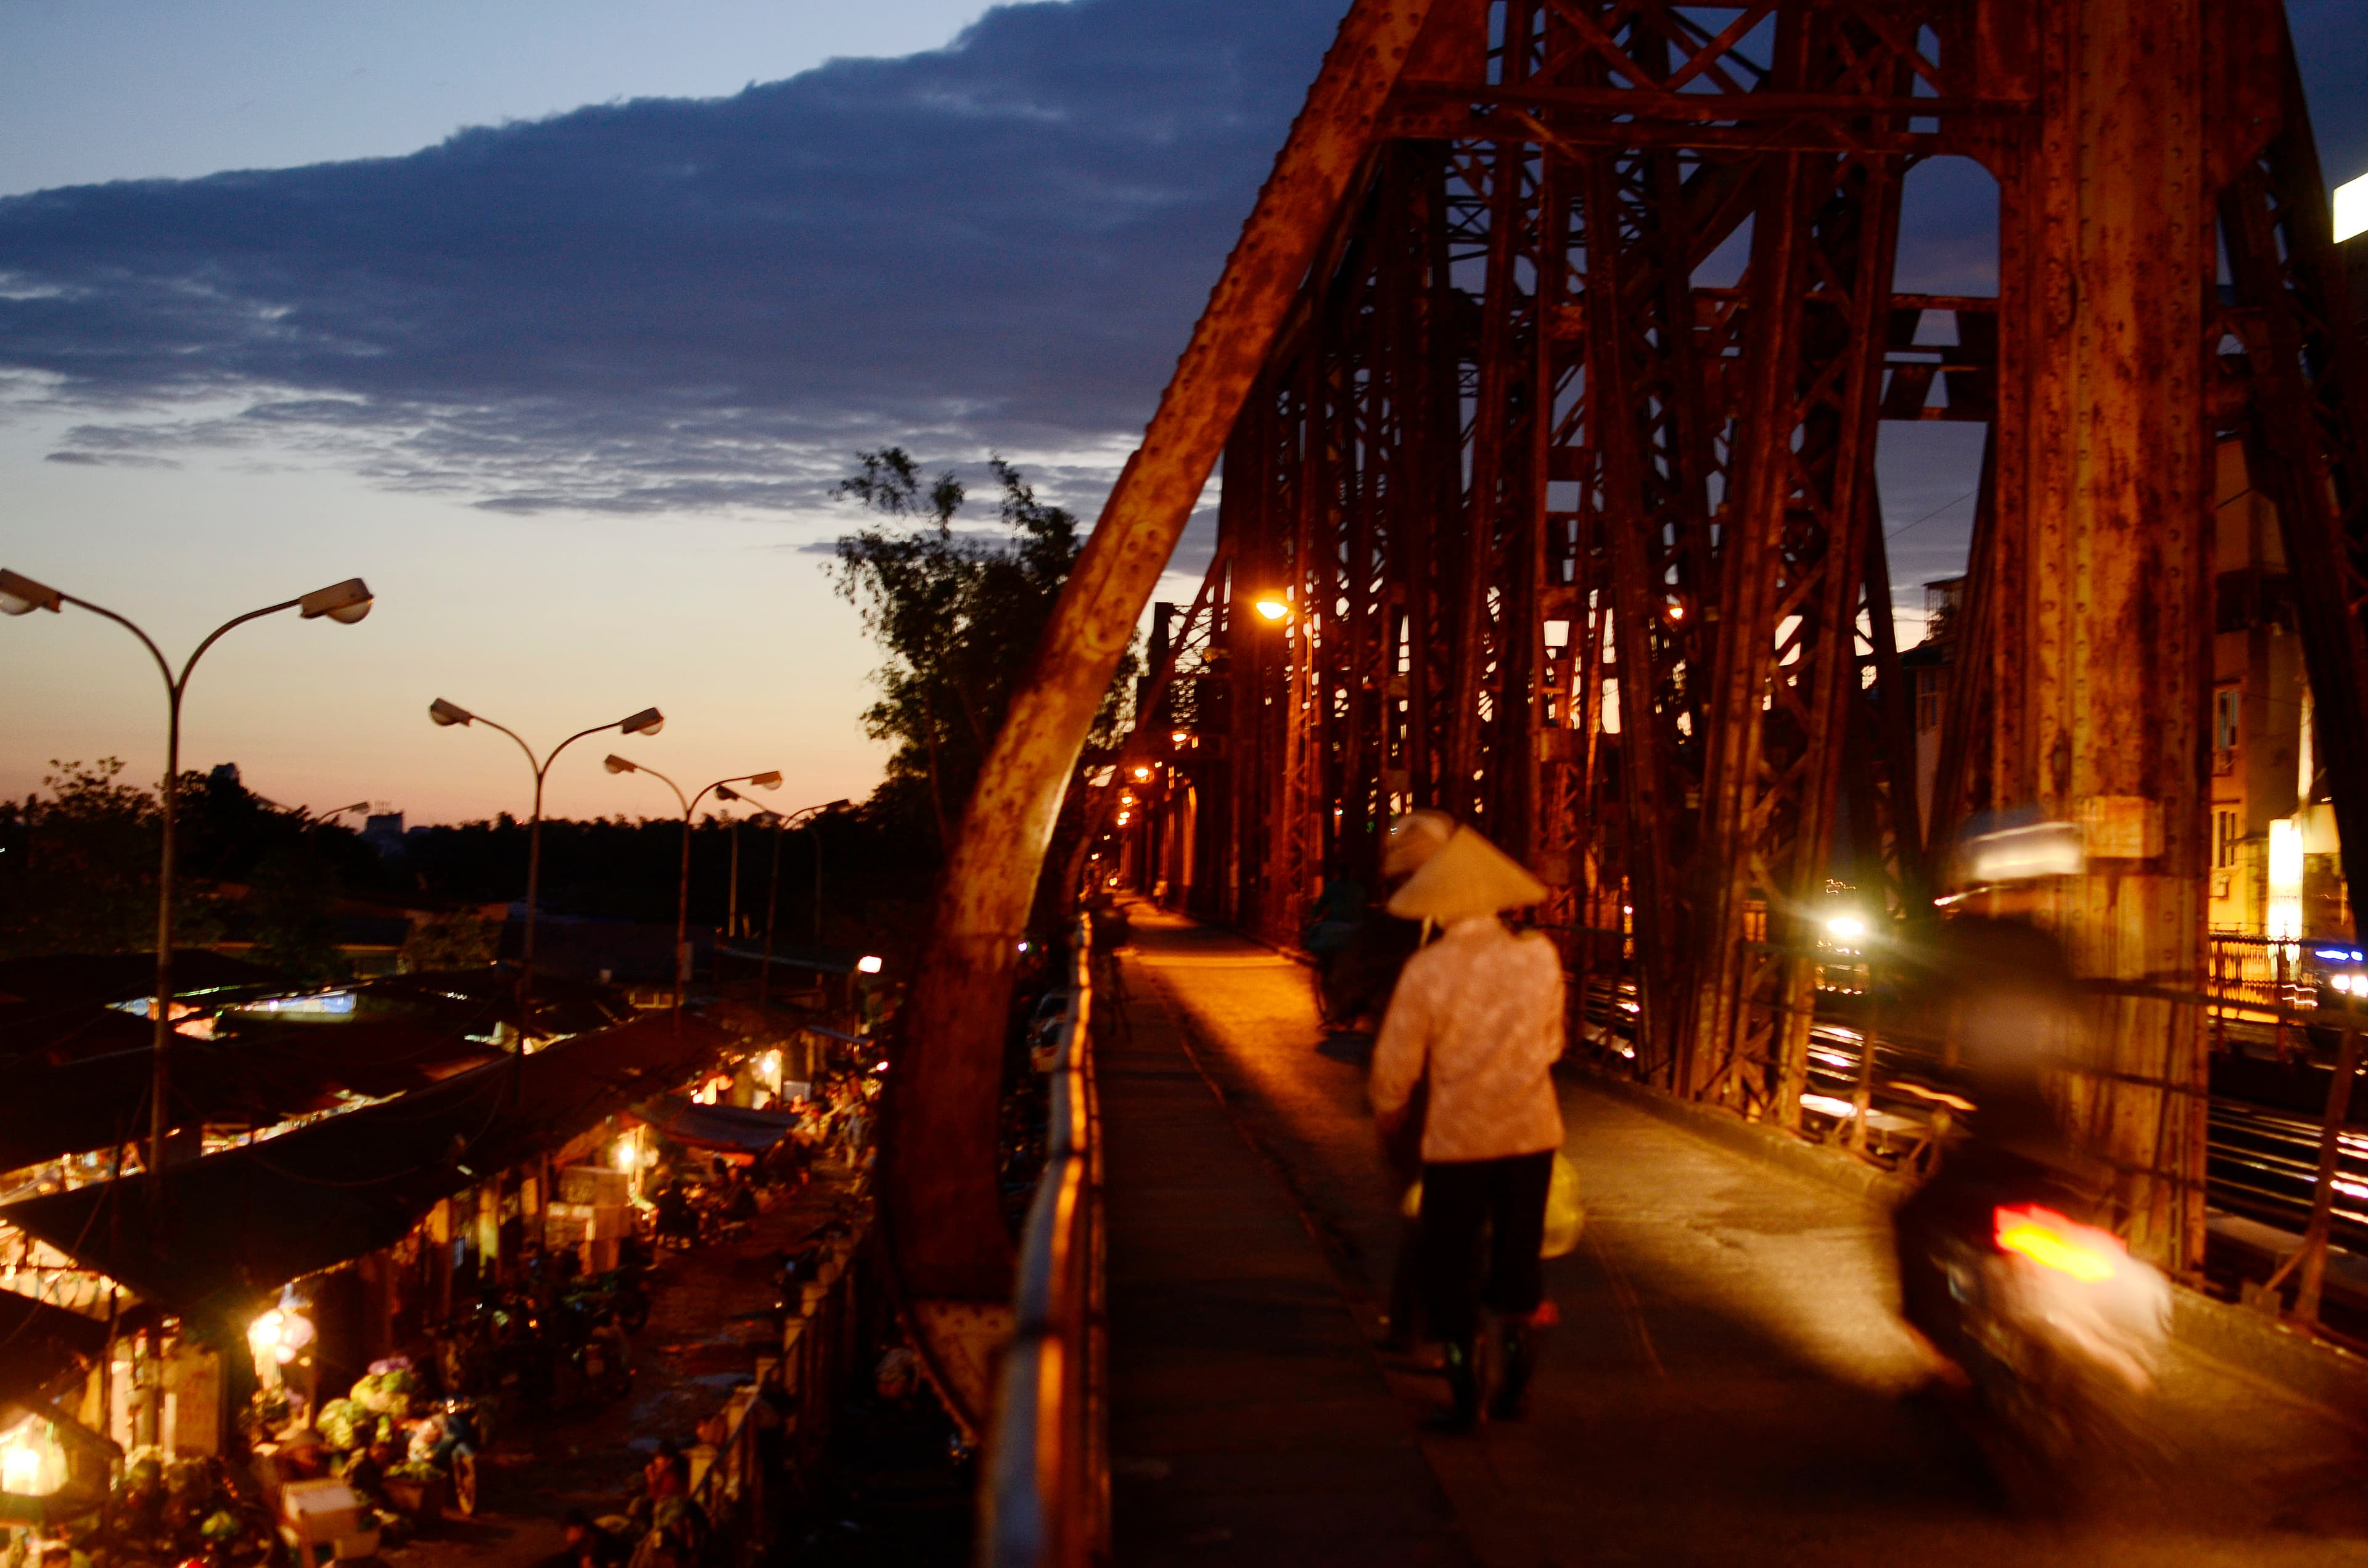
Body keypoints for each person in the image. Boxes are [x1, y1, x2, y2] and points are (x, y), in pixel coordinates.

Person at [1368, 824, 1564, 1431]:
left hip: (1458, 1139)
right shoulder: (1539, 955)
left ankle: (1464, 1385)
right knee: (1518, 1257)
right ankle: (1516, 1378)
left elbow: (1397, 1059)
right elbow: (1553, 1041)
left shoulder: (1429, 969)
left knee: (1450, 1262)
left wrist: (1388, 1105)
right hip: (1532, 1132)